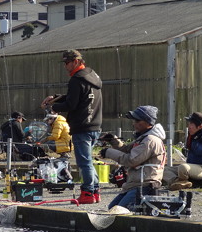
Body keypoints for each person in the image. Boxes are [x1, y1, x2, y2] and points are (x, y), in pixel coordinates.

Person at [41, 50, 102, 204]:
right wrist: (55, 98)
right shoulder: (92, 76)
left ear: (76, 61)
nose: (65, 66)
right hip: (95, 124)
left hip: (82, 126)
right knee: (88, 161)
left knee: (84, 162)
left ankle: (87, 193)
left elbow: (71, 104)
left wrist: (54, 107)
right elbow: (78, 96)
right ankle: (95, 192)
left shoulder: (76, 79)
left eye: (67, 63)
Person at [99, 105, 167, 211]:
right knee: (112, 208)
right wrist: (113, 140)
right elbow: (126, 150)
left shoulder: (150, 140)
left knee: (119, 211)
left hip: (145, 186)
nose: (133, 123)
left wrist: (108, 152)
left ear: (148, 122)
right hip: (135, 185)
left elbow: (131, 160)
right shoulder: (144, 138)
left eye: (137, 120)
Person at [163, 112, 202, 191]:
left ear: (200, 126)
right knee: (162, 170)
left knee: (183, 168)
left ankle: (179, 183)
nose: (189, 126)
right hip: (191, 167)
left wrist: (198, 161)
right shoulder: (192, 135)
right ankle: (178, 182)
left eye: (191, 123)